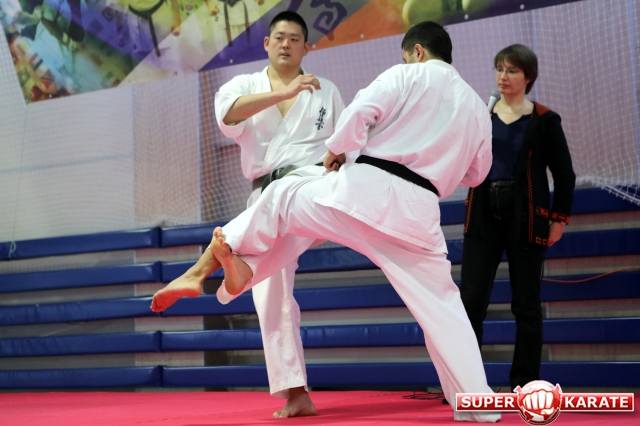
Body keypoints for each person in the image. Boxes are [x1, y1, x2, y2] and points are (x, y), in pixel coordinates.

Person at [153, 21, 501, 423]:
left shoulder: (406, 74)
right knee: (445, 311)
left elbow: (361, 111)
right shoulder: (477, 107)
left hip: (363, 194)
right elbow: (477, 174)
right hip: (419, 213)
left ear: (417, 51)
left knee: (282, 196)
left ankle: (224, 266)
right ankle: (479, 407)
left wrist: (336, 149)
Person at [151, 11, 345, 418]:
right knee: (271, 291)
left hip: (313, 190)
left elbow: (345, 144)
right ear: (267, 44)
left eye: (295, 38)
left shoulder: (325, 90)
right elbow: (228, 116)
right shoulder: (244, 85)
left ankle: (203, 271)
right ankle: (297, 392)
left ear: (307, 48)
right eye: (280, 37)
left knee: (283, 209)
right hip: (263, 193)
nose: (286, 44)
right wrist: (283, 92)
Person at [459, 44, 576, 391]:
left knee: (526, 303)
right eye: (499, 69)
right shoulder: (482, 115)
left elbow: (564, 175)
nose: (503, 76)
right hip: (482, 213)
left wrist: (558, 220)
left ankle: (524, 382)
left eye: (511, 70)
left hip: (526, 217)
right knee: (470, 302)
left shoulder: (544, 119)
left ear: (528, 77)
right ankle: (466, 382)